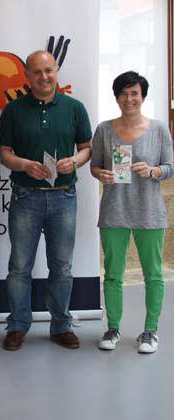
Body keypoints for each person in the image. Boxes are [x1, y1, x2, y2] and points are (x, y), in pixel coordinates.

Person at [0, 50, 92, 351]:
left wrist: (74, 161)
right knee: (19, 267)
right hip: (25, 196)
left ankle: (61, 325)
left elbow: (87, 148)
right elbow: (4, 154)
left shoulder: (75, 108)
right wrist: (25, 165)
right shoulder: (13, 110)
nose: (44, 77)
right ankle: (17, 325)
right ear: (27, 75)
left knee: (62, 267)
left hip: (64, 196)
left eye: (48, 70)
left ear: (56, 71)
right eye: (37, 72)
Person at [91, 71, 173, 354]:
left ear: (143, 96)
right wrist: (101, 174)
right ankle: (112, 328)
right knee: (113, 274)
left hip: (149, 211)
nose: (129, 98)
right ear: (116, 97)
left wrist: (152, 171)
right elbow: (95, 166)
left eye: (134, 93)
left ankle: (150, 331)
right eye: (124, 93)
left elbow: (170, 167)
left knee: (153, 274)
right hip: (114, 210)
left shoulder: (159, 129)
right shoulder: (104, 129)